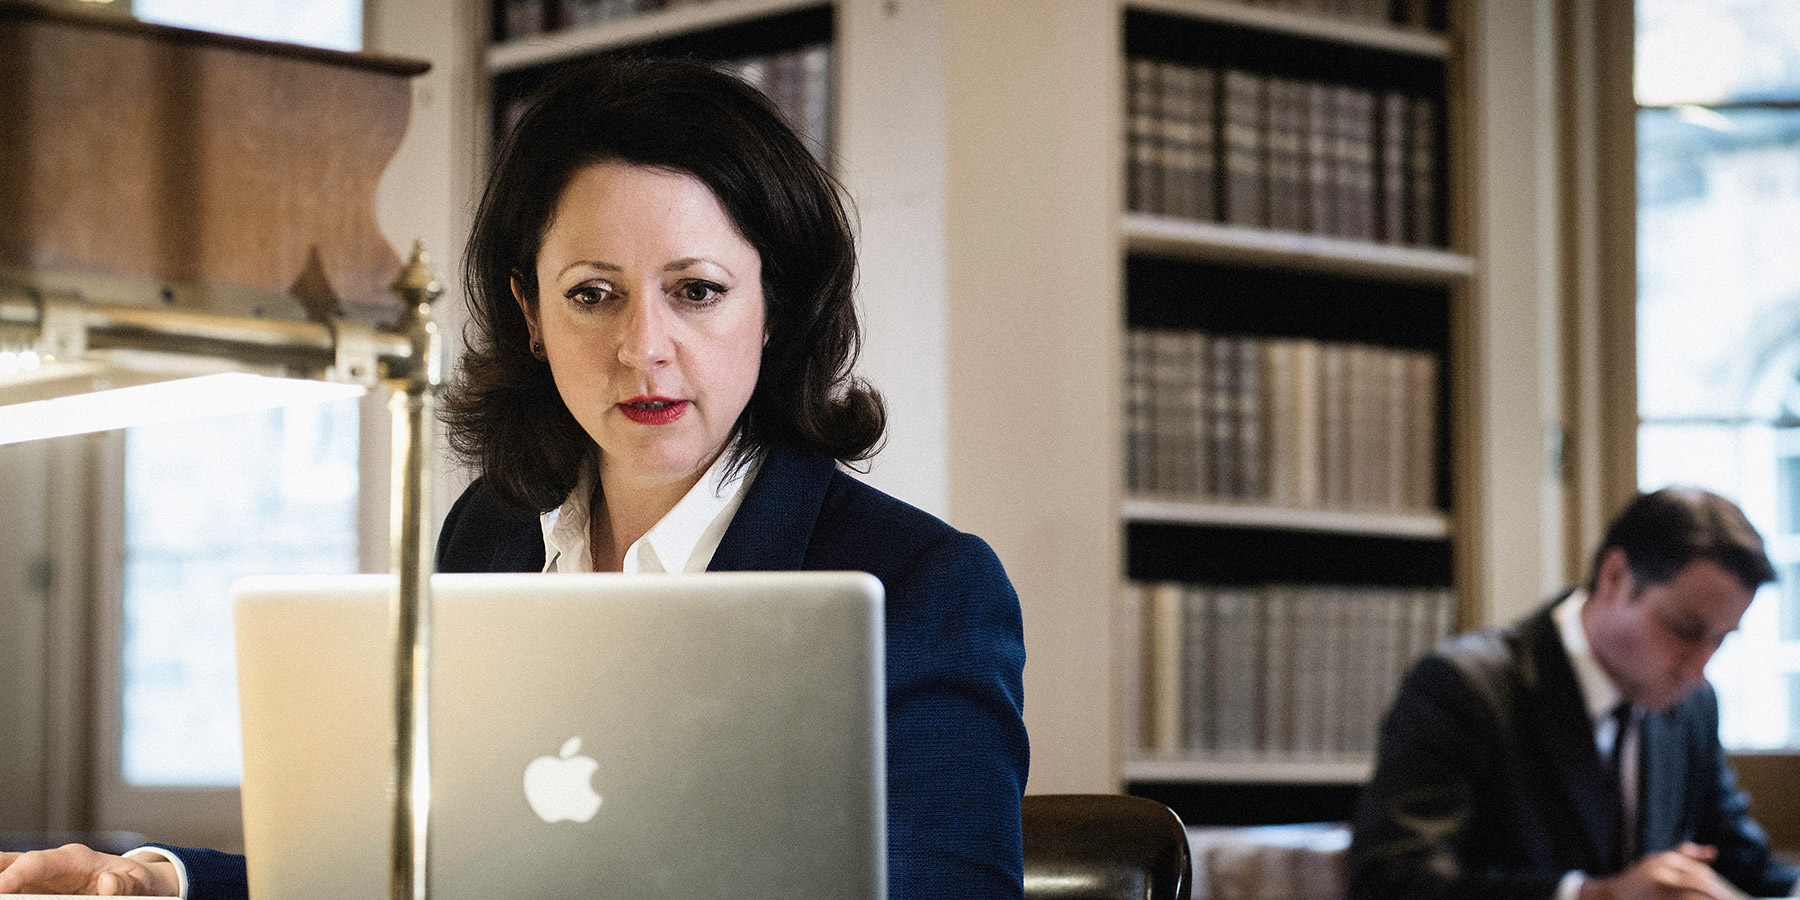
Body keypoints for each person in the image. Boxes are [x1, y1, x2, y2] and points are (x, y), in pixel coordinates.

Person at [0, 56, 1028, 898]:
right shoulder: (489, 534)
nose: (643, 348)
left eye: (697, 291)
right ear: (530, 313)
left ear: (777, 307)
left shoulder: (927, 588)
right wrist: (158, 880)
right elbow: (391, 870)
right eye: (593, 295)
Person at [1348, 486, 1798, 900]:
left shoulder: (1694, 704)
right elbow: (1391, 880)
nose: (1699, 670)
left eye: (1721, 640)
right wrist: (1593, 896)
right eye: (1685, 630)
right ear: (1615, 576)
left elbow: (1744, 864)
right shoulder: (1465, 686)